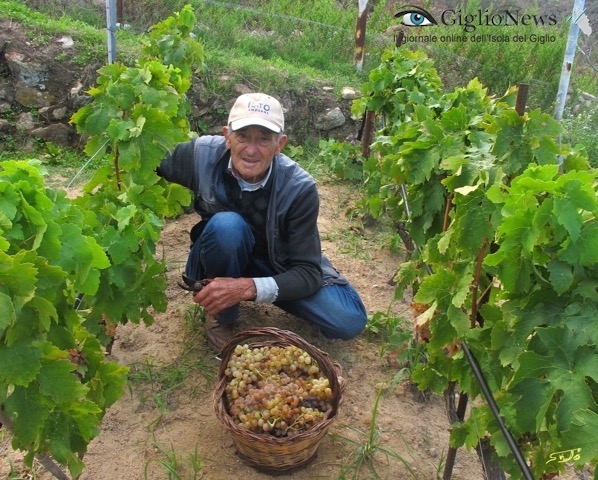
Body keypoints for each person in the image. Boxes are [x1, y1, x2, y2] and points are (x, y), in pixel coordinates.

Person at [157, 92, 367, 352]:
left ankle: (251, 287)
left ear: (280, 144)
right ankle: (221, 315)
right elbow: (149, 159)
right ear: (226, 136)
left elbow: (308, 273)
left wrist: (249, 287)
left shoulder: (299, 188)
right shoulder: (200, 155)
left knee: (349, 319)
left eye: (264, 139)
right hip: (219, 253)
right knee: (227, 227)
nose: (251, 150)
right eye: (243, 136)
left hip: (275, 265)